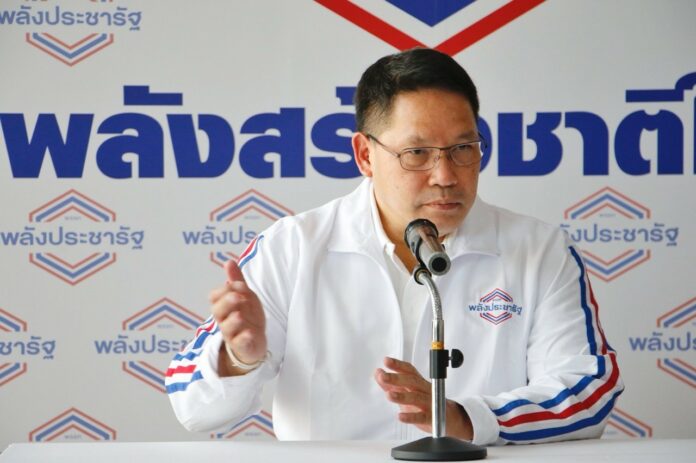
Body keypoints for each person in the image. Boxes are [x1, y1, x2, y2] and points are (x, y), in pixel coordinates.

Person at [166, 48, 623, 445]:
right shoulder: (292, 248)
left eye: (464, 147)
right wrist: (239, 357)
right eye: (417, 153)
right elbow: (195, 408)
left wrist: (463, 418)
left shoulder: (539, 249)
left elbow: (587, 390)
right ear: (365, 155)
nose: (446, 175)